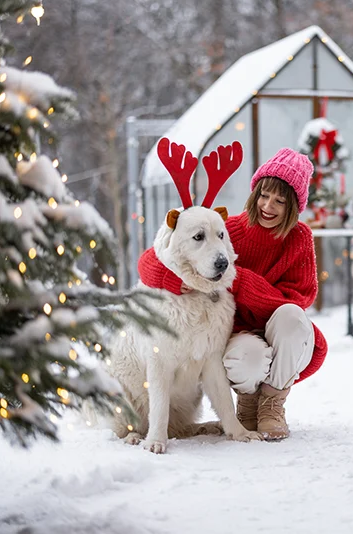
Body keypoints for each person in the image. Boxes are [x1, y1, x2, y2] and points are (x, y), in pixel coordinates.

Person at [137, 148, 326, 441]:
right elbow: (150, 259)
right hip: (239, 334)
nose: (268, 206)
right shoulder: (229, 229)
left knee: (292, 317)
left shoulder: (299, 238)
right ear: (255, 194)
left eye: (280, 200)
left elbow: (300, 298)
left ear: (294, 207)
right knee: (245, 357)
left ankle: (272, 404)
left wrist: (237, 280)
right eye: (264, 195)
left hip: (279, 328)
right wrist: (171, 278)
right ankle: (248, 404)